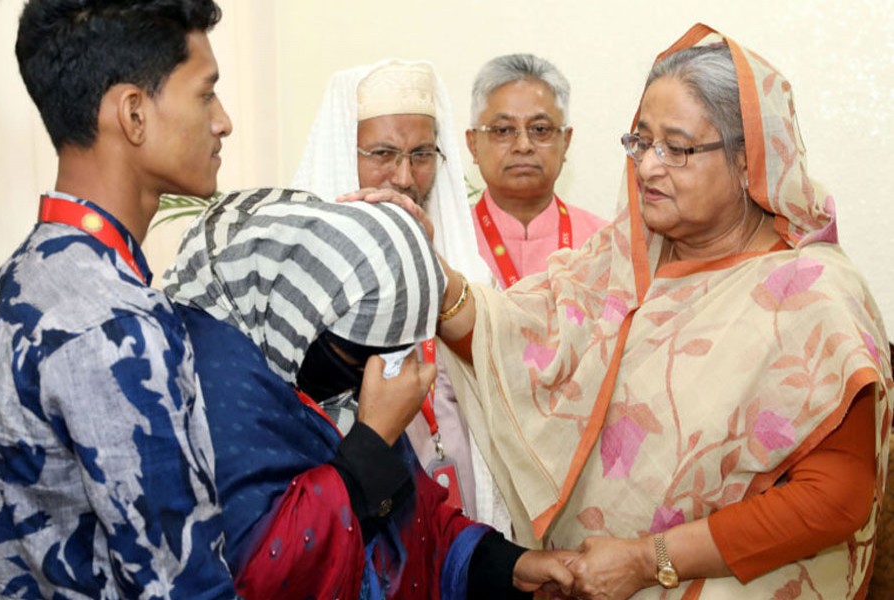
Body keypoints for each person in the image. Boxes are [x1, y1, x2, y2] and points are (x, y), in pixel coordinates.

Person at [374, 24, 891, 598]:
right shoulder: (620, 262)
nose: (647, 167)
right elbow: (514, 344)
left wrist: (649, 560)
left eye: (678, 147)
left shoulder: (810, 293)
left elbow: (834, 497)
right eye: (641, 142)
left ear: (750, 162)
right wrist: (427, 269)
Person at [162, 188, 576, 599]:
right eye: (358, 353)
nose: (374, 375)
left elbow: (417, 525)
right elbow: (259, 575)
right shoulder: (208, 381)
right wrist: (371, 445)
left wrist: (510, 566)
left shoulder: (322, 381)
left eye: (391, 354)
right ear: (300, 312)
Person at [0, 0, 236, 598]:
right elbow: (180, 584)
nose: (223, 121)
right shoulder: (116, 322)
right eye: (205, 94)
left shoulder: (19, 276)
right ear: (133, 113)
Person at [291, 60, 495, 523]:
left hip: (462, 524)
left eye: (422, 154)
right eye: (383, 154)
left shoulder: (466, 266)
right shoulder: (296, 278)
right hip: (347, 514)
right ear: (346, 154)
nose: (404, 177)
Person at [466, 54, 608, 289]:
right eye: (502, 130)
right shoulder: (447, 242)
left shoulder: (604, 244)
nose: (523, 145)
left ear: (566, 141)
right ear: (473, 145)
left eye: (540, 129)